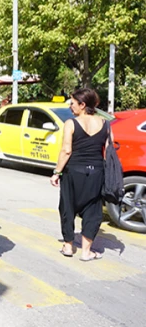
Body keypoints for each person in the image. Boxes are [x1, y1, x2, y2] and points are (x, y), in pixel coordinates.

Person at [50, 88, 108, 262]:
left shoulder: (71, 123)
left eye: (73, 103)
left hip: (73, 171)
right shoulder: (105, 123)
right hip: (97, 171)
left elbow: (66, 150)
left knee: (67, 206)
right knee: (93, 209)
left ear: (83, 105)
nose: (70, 106)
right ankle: (86, 252)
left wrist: (56, 172)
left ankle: (68, 246)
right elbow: (107, 150)